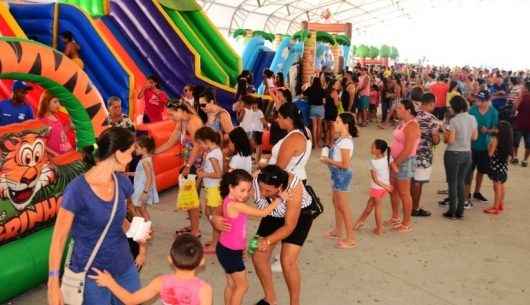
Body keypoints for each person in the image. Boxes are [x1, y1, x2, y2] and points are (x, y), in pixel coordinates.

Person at [47, 127, 146, 305]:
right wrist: (53, 283)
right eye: (131, 153)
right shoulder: (77, 190)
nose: (132, 158)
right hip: (91, 275)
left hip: (125, 268)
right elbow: (59, 239)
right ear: (118, 153)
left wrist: (138, 234)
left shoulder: (123, 183)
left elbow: (118, 220)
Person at [211, 165, 311, 305]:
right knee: (256, 254)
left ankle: (295, 303)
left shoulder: (294, 188)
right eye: (260, 188)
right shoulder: (254, 181)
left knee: (287, 261)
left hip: (299, 217)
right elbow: (231, 199)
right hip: (271, 214)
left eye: (268, 190)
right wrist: (214, 217)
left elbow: (289, 226)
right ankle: (270, 299)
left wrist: (267, 240)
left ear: (280, 187)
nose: (262, 193)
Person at [89, 234, 212, 305]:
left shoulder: (161, 282)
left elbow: (130, 300)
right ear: (202, 261)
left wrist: (110, 282)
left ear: (170, 259)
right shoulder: (204, 289)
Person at [216, 170, 279, 305]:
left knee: (232, 284)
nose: (245, 194)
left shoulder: (228, 200)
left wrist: (253, 177)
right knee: (242, 286)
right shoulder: (237, 205)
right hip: (230, 252)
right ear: (231, 187)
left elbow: (238, 230)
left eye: (248, 190)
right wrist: (279, 199)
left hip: (226, 248)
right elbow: (263, 213)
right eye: (242, 190)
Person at [156, 103, 203, 237]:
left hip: (196, 164)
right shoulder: (182, 122)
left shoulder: (193, 122)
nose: (170, 117)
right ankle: (193, 226)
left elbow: (198, 146)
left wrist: (188, 166)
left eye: (172, 114)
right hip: (189, 163)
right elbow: (171, 141)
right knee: (189, 198)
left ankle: (195, 231)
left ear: (181, 111)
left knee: (192, 198)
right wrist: (154, 152)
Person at [320, 113, 358, 248]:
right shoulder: (341, 139)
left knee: (343, 207)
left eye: (337, 122)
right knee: (336, 203)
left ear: (345, 125)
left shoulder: (346, 141)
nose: (334, 124)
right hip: (337, 174)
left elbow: (345, 164)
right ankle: (338, 230)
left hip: (341, 175)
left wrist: (327, 160)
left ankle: (351, 238)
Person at [385, 99, 420, 233]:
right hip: (396, 160)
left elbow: (408, 149)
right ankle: (395, 217)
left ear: (408, 110)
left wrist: (395, 163)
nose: (396, 110)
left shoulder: (412, 126)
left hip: (404, 162)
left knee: (404, 193)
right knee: (393, 190)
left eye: (399, 108)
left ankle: (406, 223)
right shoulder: (402, 123)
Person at [443, 96, 478, 219]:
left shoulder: (453, 121)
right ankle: (460, 211)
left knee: (452, 183)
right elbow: (474, 137)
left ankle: (452, 210)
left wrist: (445, 134)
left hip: (453, 153)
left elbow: (450, 140)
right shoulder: (472, 118)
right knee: (461, 182)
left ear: (455, 107)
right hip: (467, 153)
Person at [353, 139, 393, 235]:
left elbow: (375, 179)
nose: (371, 148)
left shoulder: (372, 162)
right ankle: (359, 222)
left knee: (377, 208)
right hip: (384, 188)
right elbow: (394, 168)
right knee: (370, 205)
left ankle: (379, 229)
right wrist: (387, 186)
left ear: (378, 150)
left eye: (373, 147)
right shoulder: (388, 157)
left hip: (377, 188)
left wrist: (386, 186)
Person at [466, 90, 498, 206]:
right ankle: (467, 193)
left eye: (481, 100)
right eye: (478, 99)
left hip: (485, 146)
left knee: (481, 171)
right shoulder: (472, 110)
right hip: (471, 145)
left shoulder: (493, 112)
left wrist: (487, 130)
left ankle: (477, 191)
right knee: (469, 171)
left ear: (487, 101)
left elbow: (496, 129)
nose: (478, 101)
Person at [411, 93, 441, 217]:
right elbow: (435, 140)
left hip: (410, 152)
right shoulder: (432, 119)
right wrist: (438, 137)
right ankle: (415, 208)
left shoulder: (413, 116)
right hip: (423, 154)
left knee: (411, 180)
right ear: (431, 104)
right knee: (418, 181)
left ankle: (409, 204)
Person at [195, 126, 224, 253]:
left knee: (215, 216)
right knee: (209, 213)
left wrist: (204, 174)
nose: (200, 146)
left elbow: (218, 173)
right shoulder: (215, 151)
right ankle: (216, 240)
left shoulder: (212, 155)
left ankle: (216, 244)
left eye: (200, 143)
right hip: (211, 188)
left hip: (214, 189)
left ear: (207, 141)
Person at [268, 102, 312, 182]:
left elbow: (280, 167)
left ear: (288, 119)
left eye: (280, 117)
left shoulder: (294, 138)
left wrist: (263, 169)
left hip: (288, 181)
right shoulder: (305, 130)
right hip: (295, 178)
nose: (277, 120)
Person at [484, 121, 513, 214]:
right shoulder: (508, 141)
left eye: (496, 128)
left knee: (496, 187)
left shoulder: (495, 139)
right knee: (502, 186)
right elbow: (509, 157)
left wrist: (489, 145)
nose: (494, 129)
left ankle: (495, 207)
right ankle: (500, 204)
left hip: (496, 167)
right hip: (503, 168)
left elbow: (490, 153)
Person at [130, 136, 158, 221]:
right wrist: (128, 173)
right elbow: (141, 174)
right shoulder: (145, 159)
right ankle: (144, 226)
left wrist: (145, 192)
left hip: (142, 189)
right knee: (139, 208)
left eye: (137, 147)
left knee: (140, 209)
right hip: (141, 187)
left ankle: (146, 228)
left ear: (144, 149)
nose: (135, 150)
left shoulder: (145, 161)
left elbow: (149, 178)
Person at [38, 91, 74, 157]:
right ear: (46, 103)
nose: (58, 105)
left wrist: (69, 125)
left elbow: (60, 133)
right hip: (59, 159)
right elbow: (41, 142)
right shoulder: (44, 121)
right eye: (55, 102)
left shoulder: (56, 116)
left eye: (58, 102)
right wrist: (55, 154)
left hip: (68, 153)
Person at [303, 76, 326, 149]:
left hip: (313, 108)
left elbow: (303, 94)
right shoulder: (322, 90)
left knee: (314, 127)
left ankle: (315, 144)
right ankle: (319, 143)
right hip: (320, 108)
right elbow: (324, 101)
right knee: (319, 126)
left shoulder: (310, 89)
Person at [512, 81, 530, 167]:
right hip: (525, 124)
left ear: (526, 88)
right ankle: (525, 160)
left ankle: (515, 157)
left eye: (524, 87)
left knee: (516, 141)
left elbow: (515, 108)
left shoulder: (522, 97)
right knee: (528, 144)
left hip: (519, 123)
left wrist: (518, 99)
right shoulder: (522, 96)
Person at [323, 80, 342, 146]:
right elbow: (336, 104)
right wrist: (339, 101)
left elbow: (324, 102)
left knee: (326, 128)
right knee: (332, 128)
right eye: (337, 84)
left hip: (326, 111)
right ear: (333, 85)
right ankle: (331, 142)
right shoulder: (334, 92)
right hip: (332, 111)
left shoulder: (325, 91)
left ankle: (326, 142)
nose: (338, 85)